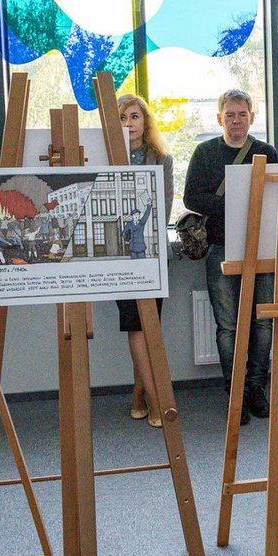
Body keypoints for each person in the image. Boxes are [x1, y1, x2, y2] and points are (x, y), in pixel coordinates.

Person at [183, 89, 278, 425]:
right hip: (220, 247)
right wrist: (235, 202)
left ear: (252, 117)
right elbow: (191, 197)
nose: (236, 121)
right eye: (230, 115)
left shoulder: (267, 152)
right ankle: (234, 392)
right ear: (219, 118)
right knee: (228, 326)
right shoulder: (205, 153)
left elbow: (277, 195)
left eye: (242, 114)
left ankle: (256, 388)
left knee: (263, 321)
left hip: (263, 247)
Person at [115, 92, 174, 427]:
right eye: (122, 118)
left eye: (134, 117)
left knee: (151, 326)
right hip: (120, 259)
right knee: (136, 325)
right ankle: (155, 399)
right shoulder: (105, 157)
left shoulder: (161, 158)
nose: (129, 124)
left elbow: (162, 208)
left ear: (145, 121)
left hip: (153, 255)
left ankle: (138, 392)